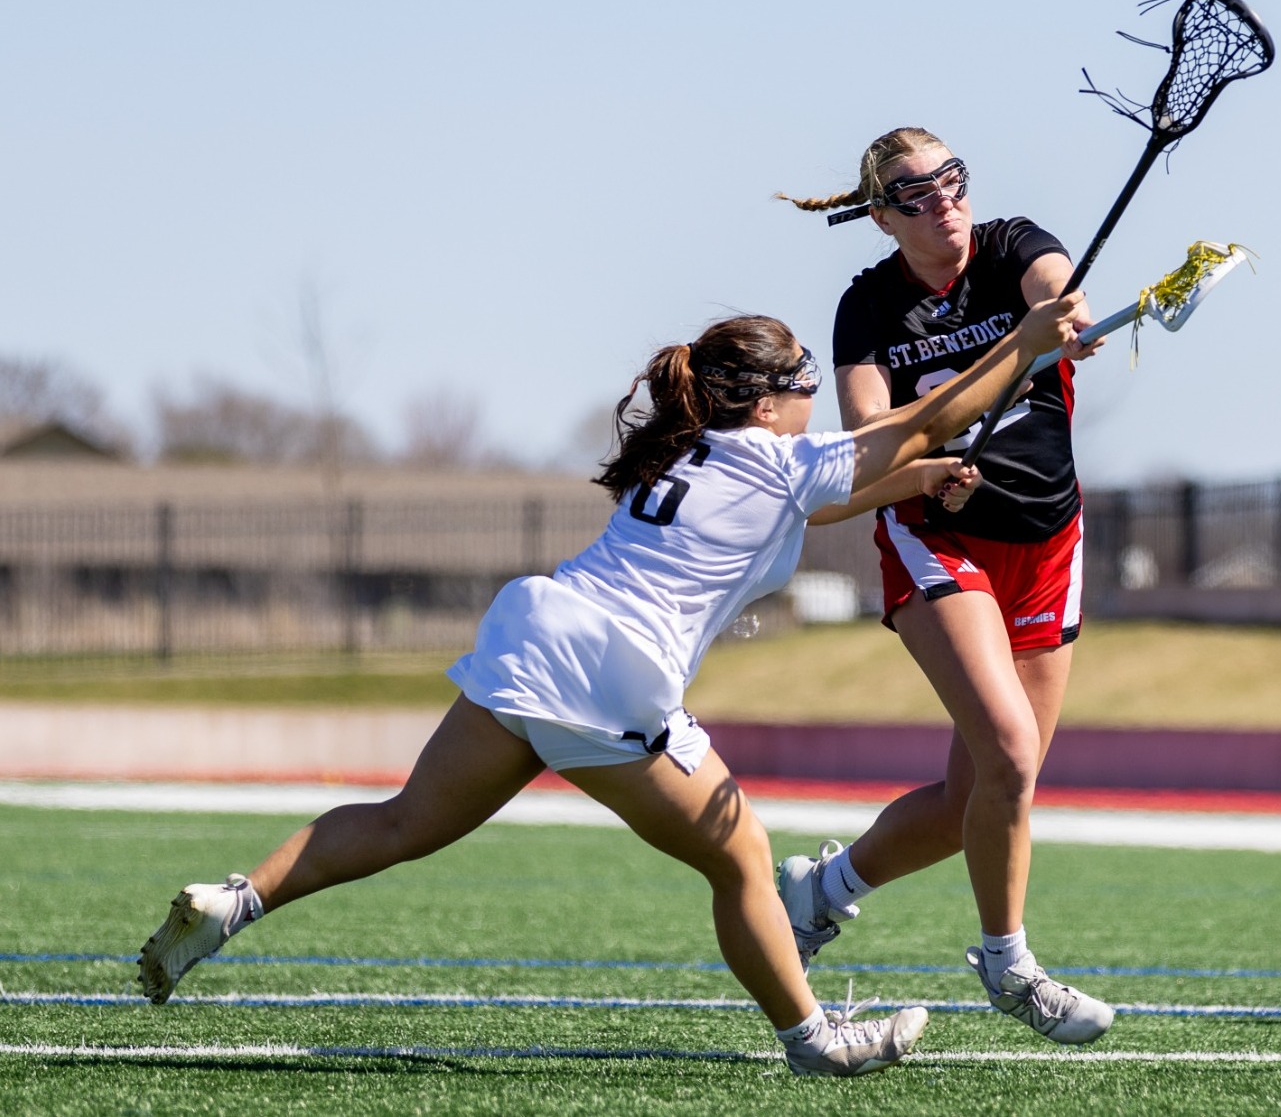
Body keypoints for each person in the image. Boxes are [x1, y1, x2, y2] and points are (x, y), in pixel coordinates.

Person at [135, 293, 1082, 1078]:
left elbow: (856, 475)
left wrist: (922, 476)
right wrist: (1023, 344)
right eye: (802, 387)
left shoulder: (690, 450)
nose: (811, 403)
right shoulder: (780, 457)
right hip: (610, 673)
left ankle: (235, 900)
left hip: (537, 635)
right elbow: (913, 421)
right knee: (745, 862)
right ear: (767, 403)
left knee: (400, 823)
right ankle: (814, 1041)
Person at [773, 127, 1114, 1045]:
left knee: (991, 783)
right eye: (914, 191)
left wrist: (1055, 321)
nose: (943, 198)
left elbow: (1055, 292)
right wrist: (1003, 366)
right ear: (881, 215)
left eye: (951, 178)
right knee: (1006, 748)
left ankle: (822, 889)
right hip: (938, 538)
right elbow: (870, 443)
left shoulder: (1012, 246)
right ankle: (1009, 965)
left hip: (1049, 534)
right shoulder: (870, 306)